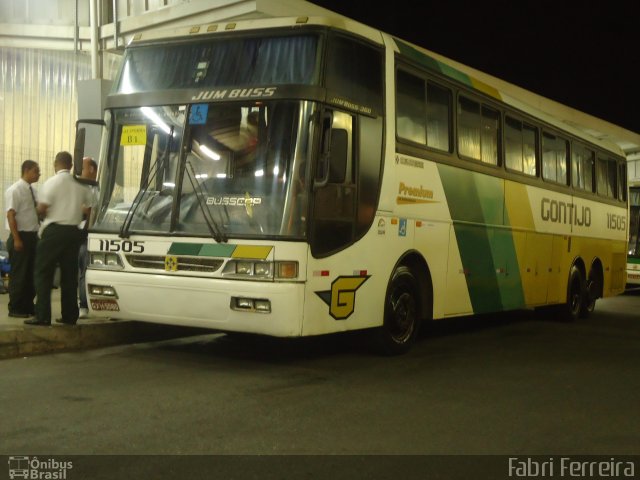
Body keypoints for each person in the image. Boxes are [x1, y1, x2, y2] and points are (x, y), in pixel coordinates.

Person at [25, 151, 94, 326]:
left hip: (53, 233)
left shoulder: (51, 183)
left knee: (43, 273)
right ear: (71, 165)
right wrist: (83, 226)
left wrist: (41, 212)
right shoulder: (81, 185)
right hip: (73, 233)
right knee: (70, 276)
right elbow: (89, 210)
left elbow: (41, 209)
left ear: (56, 164)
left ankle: (43, 316)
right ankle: (70, 316)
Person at [4, 160, 41, 318]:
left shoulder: (33, 190)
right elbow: (11, 215)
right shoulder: (15, 190)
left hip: (33, 236)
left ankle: (27, 305)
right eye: (35, 171)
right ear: (26, 170)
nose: (38, 174)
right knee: (19, 274)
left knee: (30, 274)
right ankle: (16, 308)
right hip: (20, 235)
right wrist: (17, 239)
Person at [77, 156, 98, 319]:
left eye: (82, 168)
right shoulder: (78, 187)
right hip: (78, 235)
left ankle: (87, 304)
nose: (79, 172)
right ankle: (81, 304)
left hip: (93, 235)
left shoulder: (99, 188)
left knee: (88, 270)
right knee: (78, 271)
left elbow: (93, 210)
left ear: (91, 169)